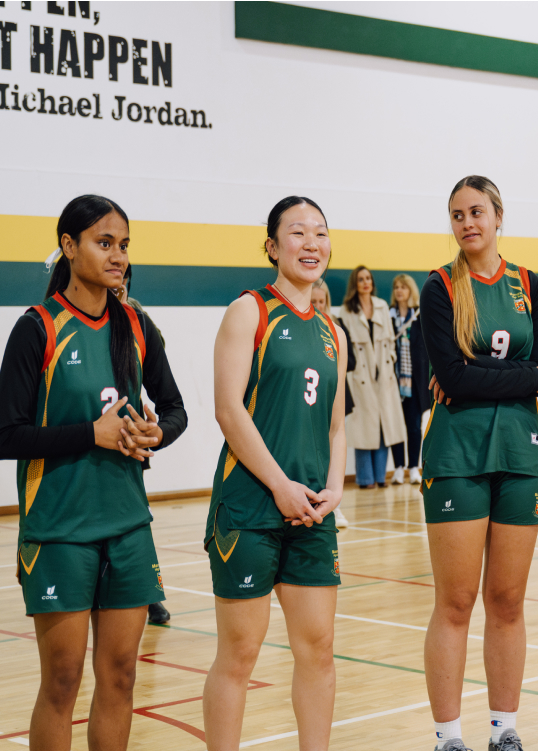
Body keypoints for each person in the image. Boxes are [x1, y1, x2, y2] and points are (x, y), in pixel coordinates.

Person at [0, 195, 188, 750]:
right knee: (61, 682)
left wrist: (158, 432)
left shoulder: (136, 324)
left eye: (124, 245)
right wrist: (91, 433)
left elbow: (175, 408)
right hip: (59, 530)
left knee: (122, 678)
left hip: (128, 525)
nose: (118, 257)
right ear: (68, 246)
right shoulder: (38, 328)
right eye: (104, 243)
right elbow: (5, 435)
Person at [420, 175, 538, 751]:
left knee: (507, 601)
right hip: (456, 456)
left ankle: (505, 729)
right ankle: (447, 736)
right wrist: (525, 376)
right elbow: (452, 377)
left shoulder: (530, 284)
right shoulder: (439, 288)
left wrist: (489, 376)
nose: (467, 223)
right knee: (455, 603)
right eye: (457, 215)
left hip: (520, 455)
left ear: (498, 215)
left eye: (476, 211)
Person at [202, 196, 348, 751]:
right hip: (250, 508)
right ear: (272, 246)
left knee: (319, 649)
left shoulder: (333, 331)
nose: (311, 243)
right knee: (239, 655)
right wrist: (280, 486)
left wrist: (334, 487)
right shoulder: (250, 310)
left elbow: (336, 425)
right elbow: (228, 409)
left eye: (320, 233)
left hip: (311, 511)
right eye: (297, 232)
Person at [114, 264, 175, 626]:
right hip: (93, 428)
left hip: (131, 429)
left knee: (137, 510)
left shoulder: (137, 314)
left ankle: (149, 592)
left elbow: (156, 353)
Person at [341, 265, 406, 489]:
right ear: (355, 284)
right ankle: (365, 479)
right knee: (364, 429)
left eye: (368, 278)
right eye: (361, 279)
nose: (365, 282)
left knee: (384, 425)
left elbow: (390, 342)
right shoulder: (347, 311)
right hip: (360, 376)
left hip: (384, 374)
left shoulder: (381, 307)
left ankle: (380, 477)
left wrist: (390, 361)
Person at [311, 279, 351, 531]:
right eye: (312, 301)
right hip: (307, 400)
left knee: (332, 441)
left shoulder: (335, 333)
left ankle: (334, 502)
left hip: (329, 398)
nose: (316, 305)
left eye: (320, 302)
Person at [389, 273, 428, 485]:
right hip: (392, 381)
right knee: (395, 425)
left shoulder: (419, 317)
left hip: (414, 382)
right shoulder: (388, 316)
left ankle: (414, 467)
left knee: (413, 426)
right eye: (396, 287)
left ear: (411, 290)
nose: (399, 291)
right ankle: (398, 468)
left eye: (403, 287)